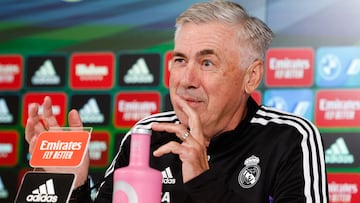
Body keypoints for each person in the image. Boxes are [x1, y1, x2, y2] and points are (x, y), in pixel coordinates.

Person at [25, 1, 329, 202]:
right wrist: (70, 185)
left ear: (251, 77)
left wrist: (203, 179)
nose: (187, 79)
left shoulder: (290, 138)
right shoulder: (145, 135)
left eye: (207, 63)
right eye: (180, 60)